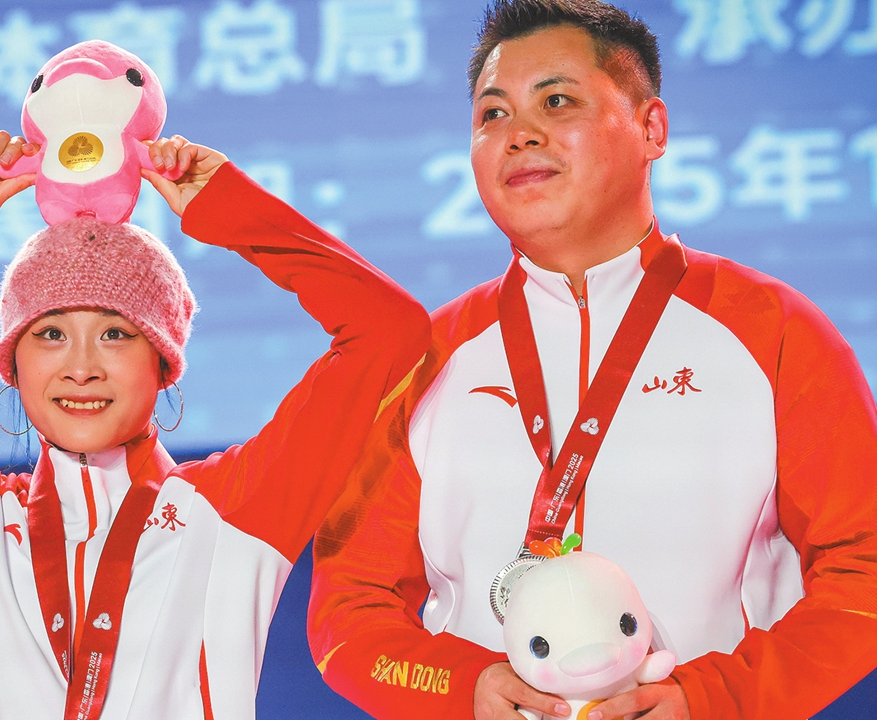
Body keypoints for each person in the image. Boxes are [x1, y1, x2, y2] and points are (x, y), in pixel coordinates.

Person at [306, 2, 877, 720]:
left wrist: (715, 700)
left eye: (556, 100)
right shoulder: (424, 363)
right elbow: (347, 611)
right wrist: (461, 688)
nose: (519, 135)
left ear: (651, 128)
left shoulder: (776, 331)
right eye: (492, 115)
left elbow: (864, 572)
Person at [0, 127, 429, 719]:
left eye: (116, 335)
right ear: (10, 365)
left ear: (164, 363)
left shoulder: (235, 511)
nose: (79, 367)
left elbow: (388, 330)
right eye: (48, 335)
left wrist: (230, 210)